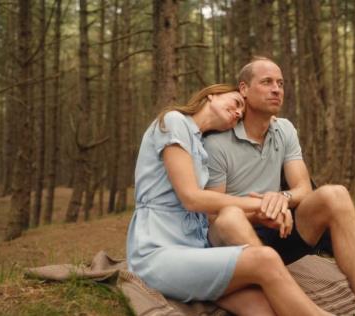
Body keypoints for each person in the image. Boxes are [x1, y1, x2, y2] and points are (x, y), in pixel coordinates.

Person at [126, 83, 333, 315]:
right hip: (159, 251)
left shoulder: (201, 147)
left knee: (263, 306)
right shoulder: (175, 121)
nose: (237, 113)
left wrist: (263, 215)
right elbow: (191, 198)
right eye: (236, 103)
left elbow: (208, 212)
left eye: (240, 114)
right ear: (212, 95)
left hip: (198, 250)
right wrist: (263, 203)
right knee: (264, 258)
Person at [204, 57, 355, 316]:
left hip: (278, 230)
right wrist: (260, 209)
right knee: (229, 217)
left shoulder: (285, 129)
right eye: (266, 82)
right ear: (243, 89)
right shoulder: (217, 143)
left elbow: (303, 189)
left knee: (336, 194)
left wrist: (281, 198)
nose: (276, 89)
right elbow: (212, 215)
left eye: (280, 83)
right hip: (234, 245)